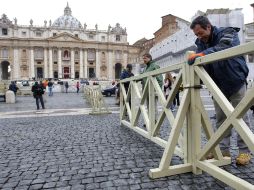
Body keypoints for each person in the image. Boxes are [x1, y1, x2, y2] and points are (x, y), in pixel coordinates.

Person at [188, 16, 250, 165]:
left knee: (241, 118)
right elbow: (201, 64)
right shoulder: (200, 43)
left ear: (208, 27)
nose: (199, 37)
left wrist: (201, 55)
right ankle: (223, 151)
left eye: (200, 33)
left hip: (236, 81)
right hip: (217, 86)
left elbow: (224, 47)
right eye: (196, 34)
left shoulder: (228, 32)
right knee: (221, 119)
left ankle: (244, 152)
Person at [142, 53, 163, 126]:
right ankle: (149, 120)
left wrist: (157, 90)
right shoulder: (145, 68)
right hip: (146, 90)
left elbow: (160, 79)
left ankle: (155, 121)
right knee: (148, 106)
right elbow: (142, 78)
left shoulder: (155, 66)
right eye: (143, 58)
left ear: (149, 58)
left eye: (145, 58)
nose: (143, 60)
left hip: (153, 89)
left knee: (153, 105)